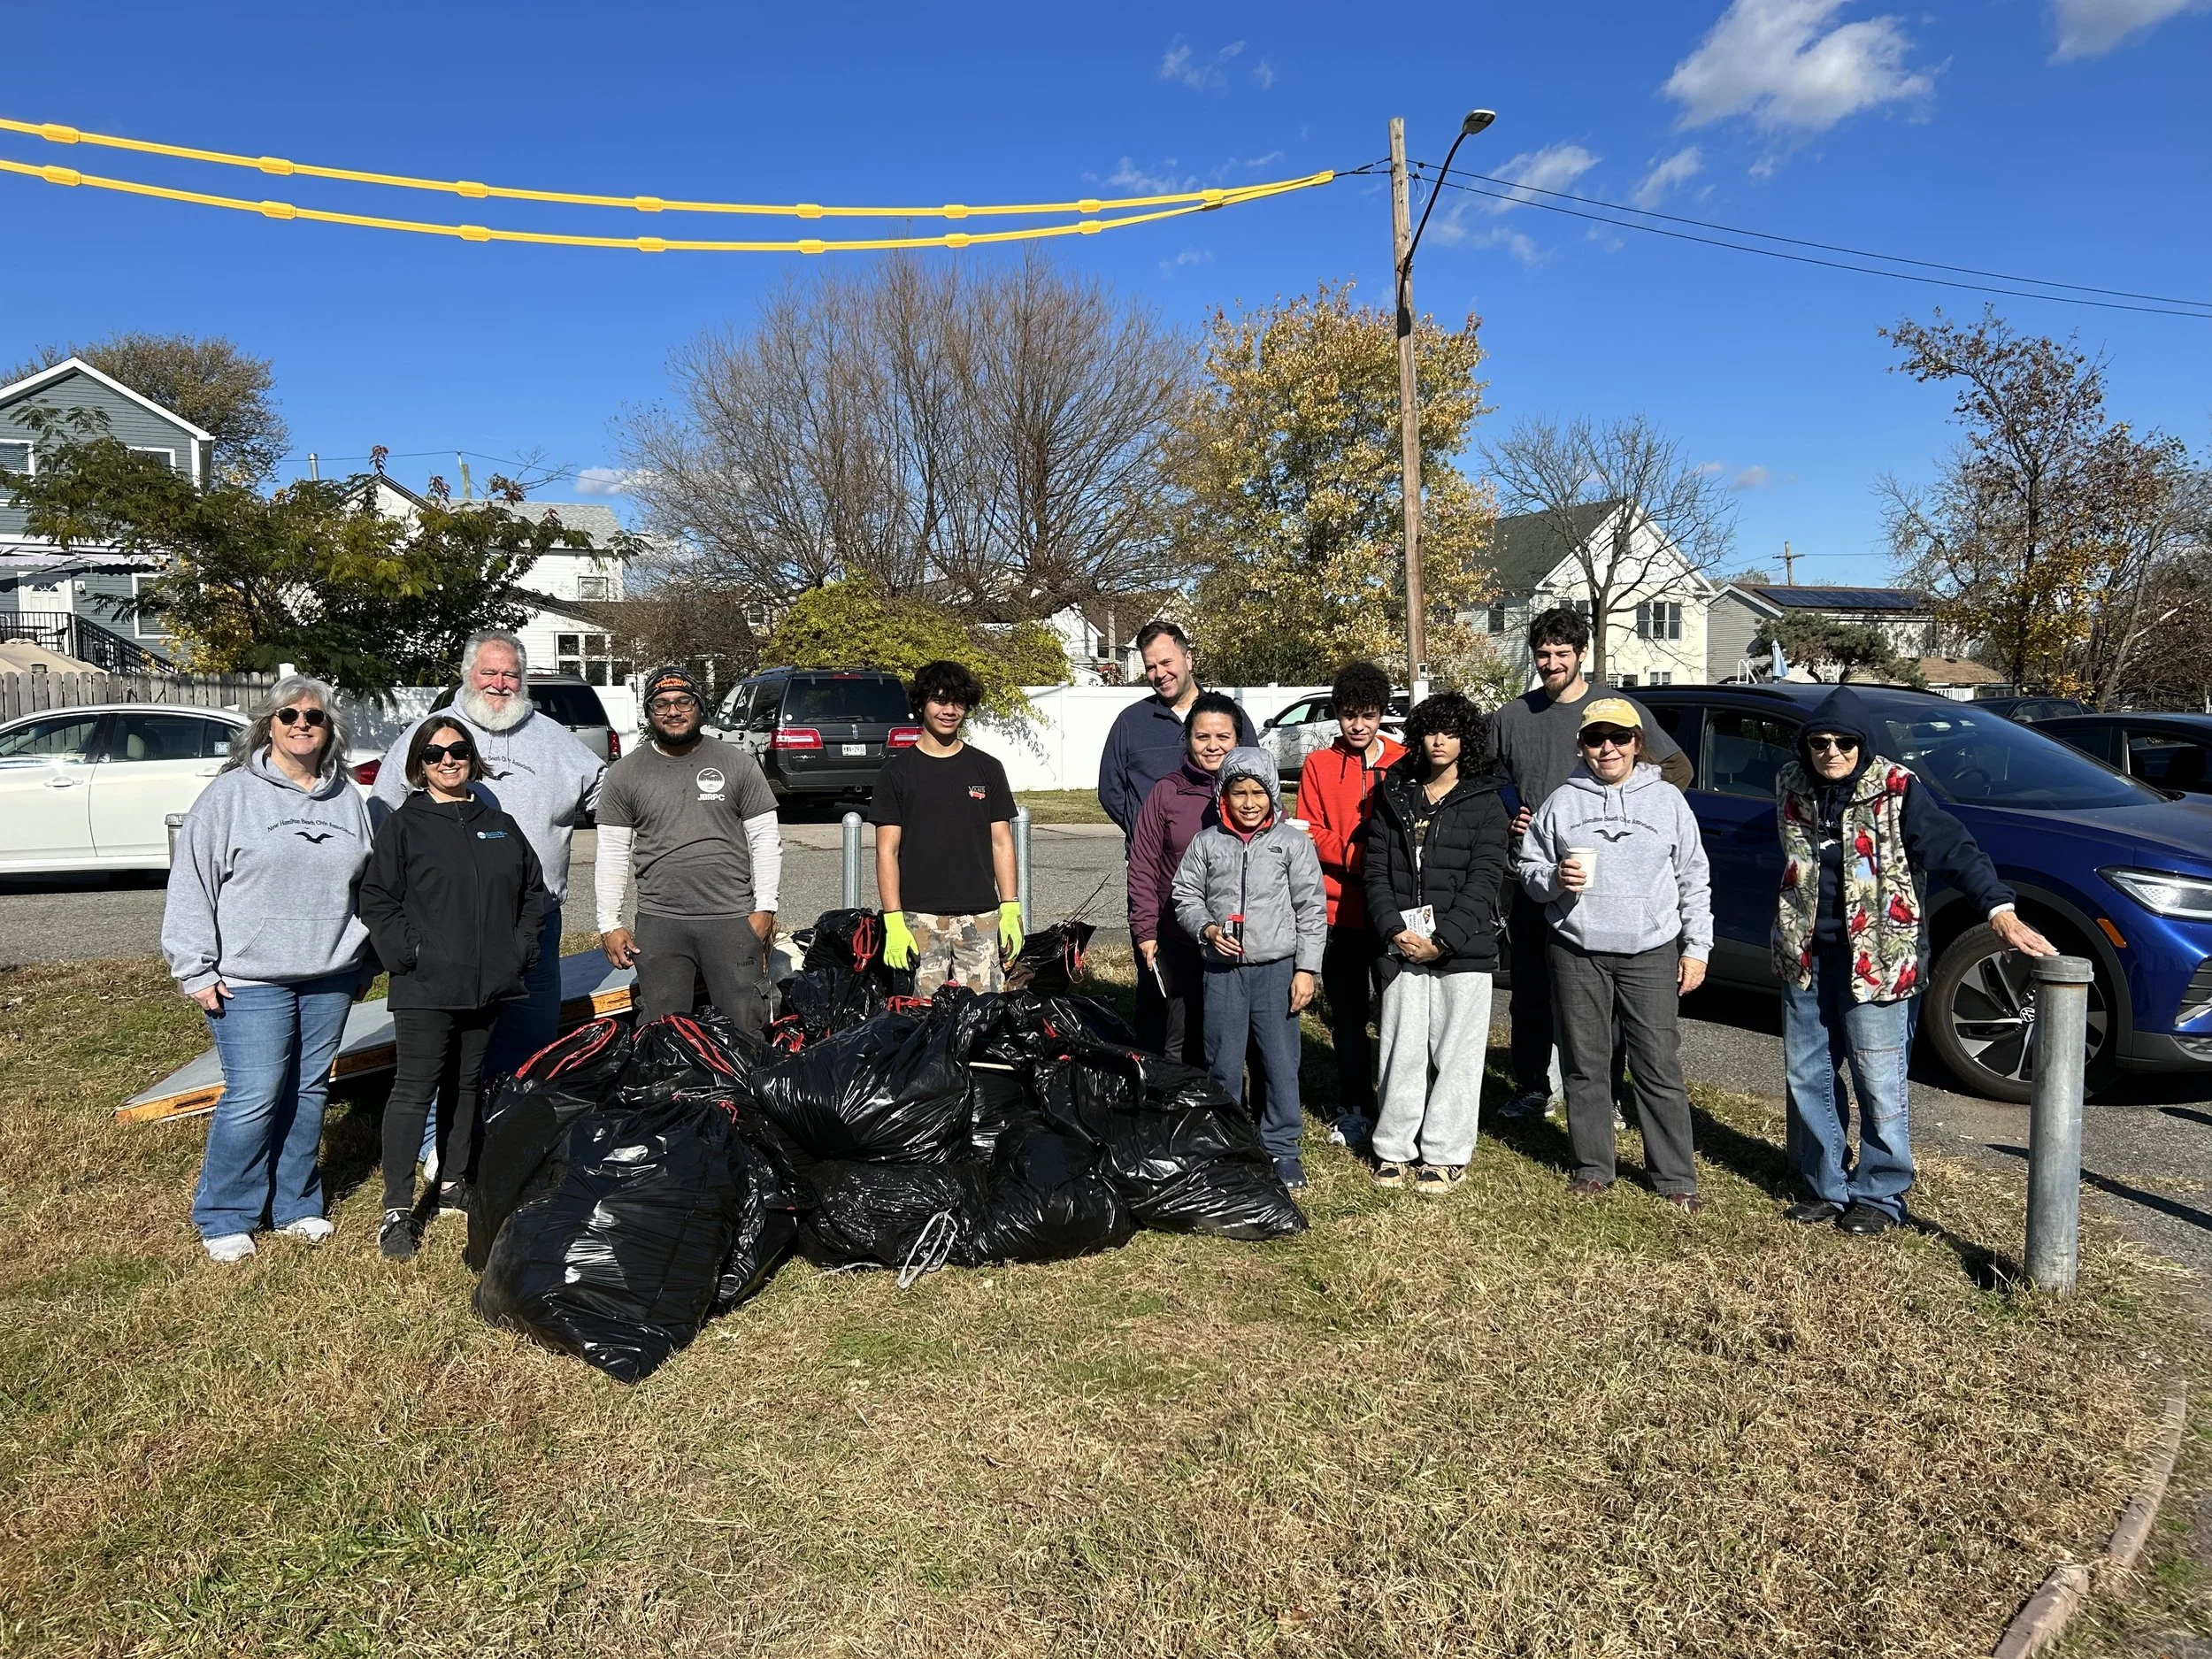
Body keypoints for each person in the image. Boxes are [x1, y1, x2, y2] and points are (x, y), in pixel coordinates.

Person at [1772, 687, 2055, 1234]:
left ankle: (1881, 1194)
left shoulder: (1898, 789)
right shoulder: (1789, 783)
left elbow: (1956, 851)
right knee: (1807, 1076)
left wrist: (1998, 910)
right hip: (1805, 957)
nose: (1832, 752)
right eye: (1820, 742)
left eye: (1846, 743)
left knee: (1879, 1081)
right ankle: (1826, 1187)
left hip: (1880, 961)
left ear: (1864, 745)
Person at [161, 675, 373, 1263]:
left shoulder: (347, 798)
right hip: (249, 975)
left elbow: (369, 884)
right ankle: (226, 1212)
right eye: (289, 715)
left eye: (315, 716)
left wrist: (365, 958)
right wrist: (194, 966)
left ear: (330, 729)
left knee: (307, 1092)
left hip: (329, 972)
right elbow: (192, 882)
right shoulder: (231, 795)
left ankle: (295, 1204)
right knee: (255, 1092)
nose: (302, 724)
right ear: (269, 724)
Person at [371, 630, 603, 1081]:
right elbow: (383, 813)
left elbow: (607, 795)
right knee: (452, 1042)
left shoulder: (554, 738)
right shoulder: (431, 735)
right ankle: (442, 1141)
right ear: (467, 676)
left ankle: (513, 1128)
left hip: (533, 916)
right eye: (489, 672)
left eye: (511, 674)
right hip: (446, 924)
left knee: (532, 1035)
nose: (499, 683)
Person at [1492, 606, 1693, 1122]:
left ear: (1582, 654)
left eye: (1563, 653)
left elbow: (1677, 767)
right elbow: (1481, 779)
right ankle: (1532, 1085)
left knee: (1611, 1000)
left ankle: (1608, 1090)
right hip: (1540, 873)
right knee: (1532, 989)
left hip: (1611, 880)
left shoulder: (1616, 709)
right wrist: (1509, 813)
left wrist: (1638, 820)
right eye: (1543, 654)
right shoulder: (1514, 717)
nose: (1552, 663)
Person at [359, 716, 548, 1261]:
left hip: (487, 985)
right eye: (436, 753)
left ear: (472, 757)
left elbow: (532, 894)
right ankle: (397, 1209)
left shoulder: (498, 822)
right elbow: (378, 901)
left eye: (459, 750)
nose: (449, 760)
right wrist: (413, 954)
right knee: (414, 1089)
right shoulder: (404, 826)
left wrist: (518, 951)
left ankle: (453, 1182)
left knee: (467, 1086)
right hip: (426, 986)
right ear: (419, 764)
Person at [1517, 699, 1712, 1211]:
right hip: (1577, 948)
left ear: (1637, 743)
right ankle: (1592, 1167)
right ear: (1581, 745)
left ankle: (1674, 1176)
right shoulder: (1561, 801)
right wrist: (1553, 879)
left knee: (1657, 1064)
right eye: (1596, 738)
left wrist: (1697, 948)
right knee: (1585, 1063)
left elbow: (1694, 877)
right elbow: (1529, 868)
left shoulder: (1667, 801)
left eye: (1619, 738)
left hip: (1650, 948)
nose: (1608, 748)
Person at [1362, 693, 1512, 1195]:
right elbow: (1376, 872)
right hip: (1402, 943)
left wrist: (1444, 940)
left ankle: (1446, 1153)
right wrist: (1393, 931)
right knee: (1400, 1048)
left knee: (1458, 1053)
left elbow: (1486, 877)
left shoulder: (1486, 802)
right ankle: (1393, 1147)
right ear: (1419, 736)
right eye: (1431, 731)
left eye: (1451, 731)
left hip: (1462, 949)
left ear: (1466, 738)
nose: (1440, 740)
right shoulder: (1394, 795)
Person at [1171, 746, 1326, 1191]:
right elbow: (1185, 895)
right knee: (1221, 1060)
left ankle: (1281, 1145)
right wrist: (1205, 929)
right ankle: (1228, 1142)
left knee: (1279, 1061)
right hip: (1223, 974)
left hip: (1277, 970)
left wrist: (1306, 969)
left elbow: (1311, 910)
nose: (1249, 802)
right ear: (1224, 795)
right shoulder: (1207, 842)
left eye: (1258, 792)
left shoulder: (1291, 844)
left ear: (1273, 795)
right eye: (1239, 792)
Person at [595, 665, 783, 1028]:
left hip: (732, 919)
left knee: (745, 1025)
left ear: (699, 707)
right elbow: (612, 853)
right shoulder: (625, 773)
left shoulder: (736, 763)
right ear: (648, 713)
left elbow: (764, 840)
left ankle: (742, 1086)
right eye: (661, 704)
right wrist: (609, 924)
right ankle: (672, 1087)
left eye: (683, 701)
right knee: (663, 1032)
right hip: (660, 922)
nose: (673, 711)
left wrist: (765, 908)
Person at [1297, 660, 1406, 1148]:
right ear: (1337, 715)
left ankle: (1401, 1102)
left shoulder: (1404, 762)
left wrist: (1384, 868)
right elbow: (1309, 831)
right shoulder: (1319, 765)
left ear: (1382, 713)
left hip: (1393, 914)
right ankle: (1355, 1103)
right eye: (1348, 715)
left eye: (1368, 714)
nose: (1358, 725)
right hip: (1338, 911)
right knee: (1346, 1013)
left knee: (1400, 1011)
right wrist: (1360, 857)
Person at [872, 659, 1023, 997]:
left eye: (958, 702)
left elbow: (1001, 843)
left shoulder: (987, 769)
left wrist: (1010, 906)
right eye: (940, 700)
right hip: (918, 918)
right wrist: (893, 919)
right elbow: (887, 851)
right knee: (922, 1021)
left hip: (980, 916)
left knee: (983, 1018)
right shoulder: (896, 774)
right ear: (921, 705)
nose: (949, 710)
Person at [1125, 691, 1244, 1062]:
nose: (1212, 746)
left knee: (1232, 1031)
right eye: (1202, 737)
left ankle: (1231, 1105)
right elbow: (1142, 863)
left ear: (1238, 740)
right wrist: (1145, 930)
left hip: (1236, 937)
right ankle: (1176, 1105)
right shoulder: (1167, 792)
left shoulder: (1253, 791)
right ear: (1188, 738)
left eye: (1223, 737)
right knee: (1178, 1033)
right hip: (1177, 934)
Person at [1095, 620, 1255, 839]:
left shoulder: (1227, 717)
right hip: (1154, 863)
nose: (1160, 674)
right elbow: (1110, 791)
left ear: (1188, 660)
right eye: (1151, 667)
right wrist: (1142, 831)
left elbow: (1256, 779)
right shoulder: (1130, 722)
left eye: (1166, 662)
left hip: (1223, 854)